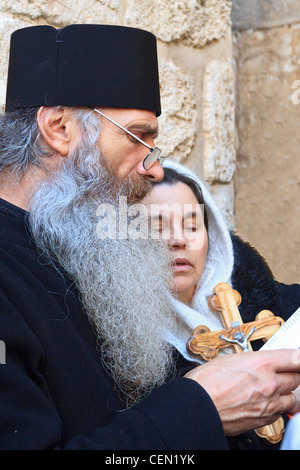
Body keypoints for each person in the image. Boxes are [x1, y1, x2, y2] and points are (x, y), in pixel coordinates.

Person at [0, 24, 299, 451]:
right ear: (59, 128)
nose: (156, 169)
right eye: (139, 137)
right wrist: (202, 410)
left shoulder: (87, 251)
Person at [142, 160, 300, 449]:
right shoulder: (123, 358)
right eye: (157, 226)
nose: (178, 240)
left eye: (192, 226)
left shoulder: (281, 309)